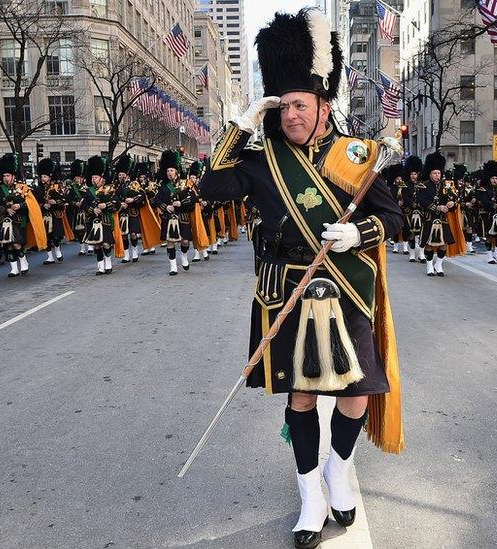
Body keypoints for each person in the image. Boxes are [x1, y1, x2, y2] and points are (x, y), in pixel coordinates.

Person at [199, 9, 404, 549]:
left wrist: (358, 234)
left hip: (347, 286)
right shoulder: (261, 155)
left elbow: (393, 218)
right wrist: (243, 124)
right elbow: (211, 189)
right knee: (303, 398)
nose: (290, 115)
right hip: (286, 287)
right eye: (282, 105)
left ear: (322, 104)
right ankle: (309, 490)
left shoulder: (355, 155)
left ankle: (340, 467)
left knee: (358, 393)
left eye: (298, 105)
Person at [0, 153, 47, 278]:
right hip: (7, 221)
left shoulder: (23, 187)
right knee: (8, 244)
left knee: (17, 244)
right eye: (4, 176)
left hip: (20, 220)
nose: (6, 178)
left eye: (8, 175)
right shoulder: (0, 189)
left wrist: (20, 206)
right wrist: (6, 209)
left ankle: (23, 261)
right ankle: (13, 268)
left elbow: (31, 202)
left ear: (13, 176)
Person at [155, 150, 197, 276]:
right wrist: (165, 206)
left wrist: (181, 203)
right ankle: (173, 266)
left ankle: (184, 256)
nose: (169, 173)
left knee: (185, 242)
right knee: (170, 242)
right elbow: (156, 200)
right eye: (167, 171)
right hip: (168, 217)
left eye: (171, 170)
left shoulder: (185, 184)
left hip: (182, 217)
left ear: (176, 171)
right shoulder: (163, 186)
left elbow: (194, 198)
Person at [81, 155, 123, 275]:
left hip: (106, 220)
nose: (94, 179)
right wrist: (92, 210)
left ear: (101, 178)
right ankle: (100, 267)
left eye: (96, 177)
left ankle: (108, 263)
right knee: (97, 245)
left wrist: (106, 205)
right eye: (93, 177)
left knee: (106, 243)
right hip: (93, 221)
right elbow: (83, 205)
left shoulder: (109, 189)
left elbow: (117, 203)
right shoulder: (88, 191)